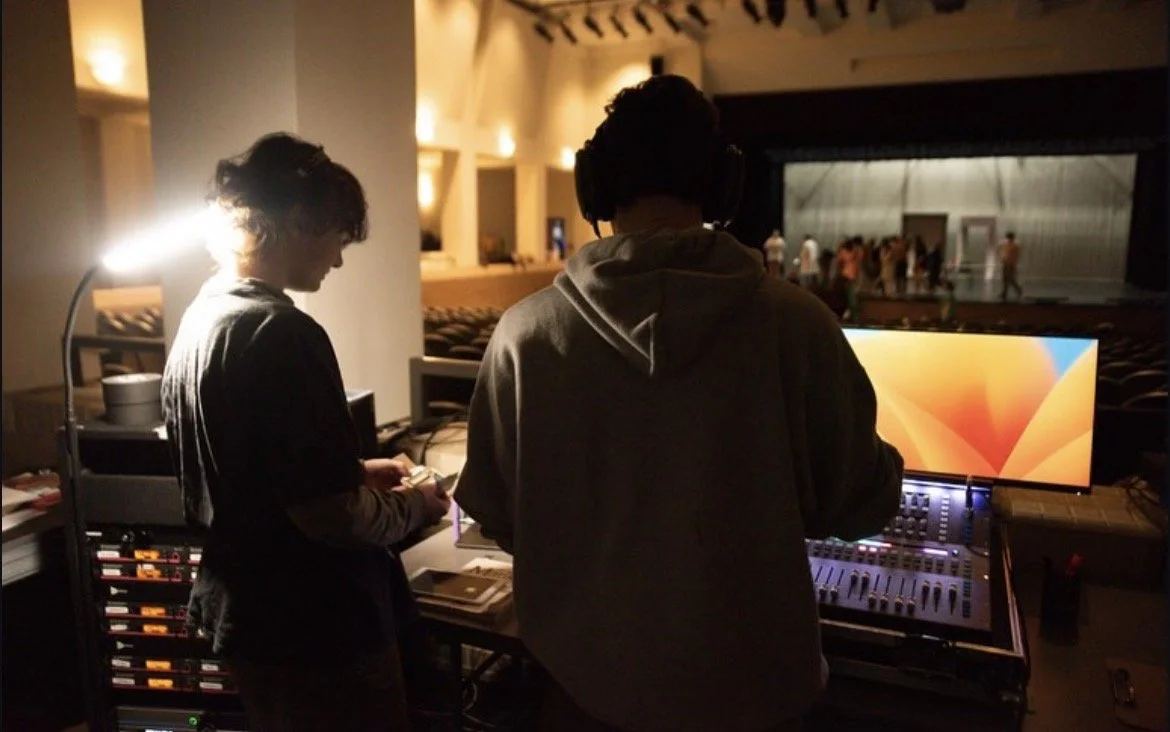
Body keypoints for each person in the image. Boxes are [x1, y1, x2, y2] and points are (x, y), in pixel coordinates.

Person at [455, 75, 904, 732]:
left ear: (594, 187)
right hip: (758, 698)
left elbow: (496, 513)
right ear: (726, 185)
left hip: (581, 695)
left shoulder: (522, 334)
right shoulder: (801, 325)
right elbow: (861, 505)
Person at [161, 133, 451, 731]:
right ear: (298, 221)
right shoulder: (283, 333)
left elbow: (246, 475)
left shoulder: (199, 319)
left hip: (242, 615)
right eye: (337, 237)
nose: (339, 258)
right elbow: (332, 520)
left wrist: (355, 473)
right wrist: (416, 506)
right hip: (316, 630)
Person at [998, 231, 1023, 300]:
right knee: (1005, 279)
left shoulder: (1015, 246)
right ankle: (1004, 292)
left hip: (1010, 264)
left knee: (1010, 279)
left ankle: (1018, 290)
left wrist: (1014, 264)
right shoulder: (1005, 245)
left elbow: (1016, 256)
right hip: (1006, 263)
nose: (1008, 239)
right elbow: (1004, 253)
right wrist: (1002, 259)